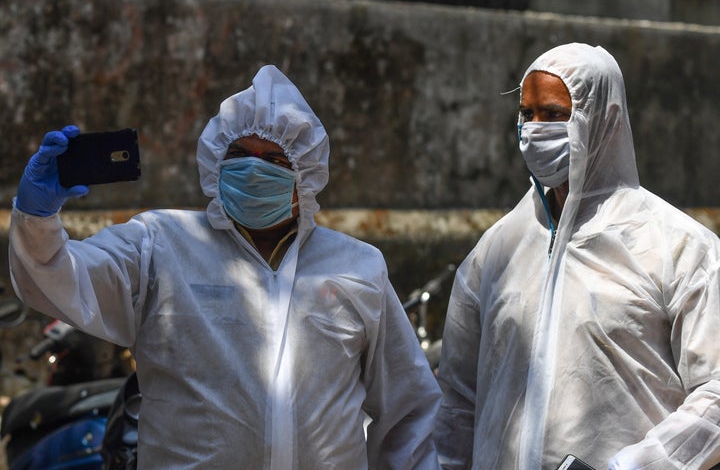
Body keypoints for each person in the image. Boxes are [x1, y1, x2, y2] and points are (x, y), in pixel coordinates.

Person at [8, 64, 442, 469]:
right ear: (216, 162)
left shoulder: (358, 267)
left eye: (274, 161)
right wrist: (37, 218)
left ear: (305, 176)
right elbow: (56, 278)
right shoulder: (160, 246)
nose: (253, 172)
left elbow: (408, 410)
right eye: (239, 155)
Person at [433, 43, 720, 469]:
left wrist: (631, 466)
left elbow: (714, 395)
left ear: (604, 119)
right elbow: (458, 403)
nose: (533, 130)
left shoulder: (677, 247)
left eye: (553, 114)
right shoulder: (496, 251)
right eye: (526, 114)